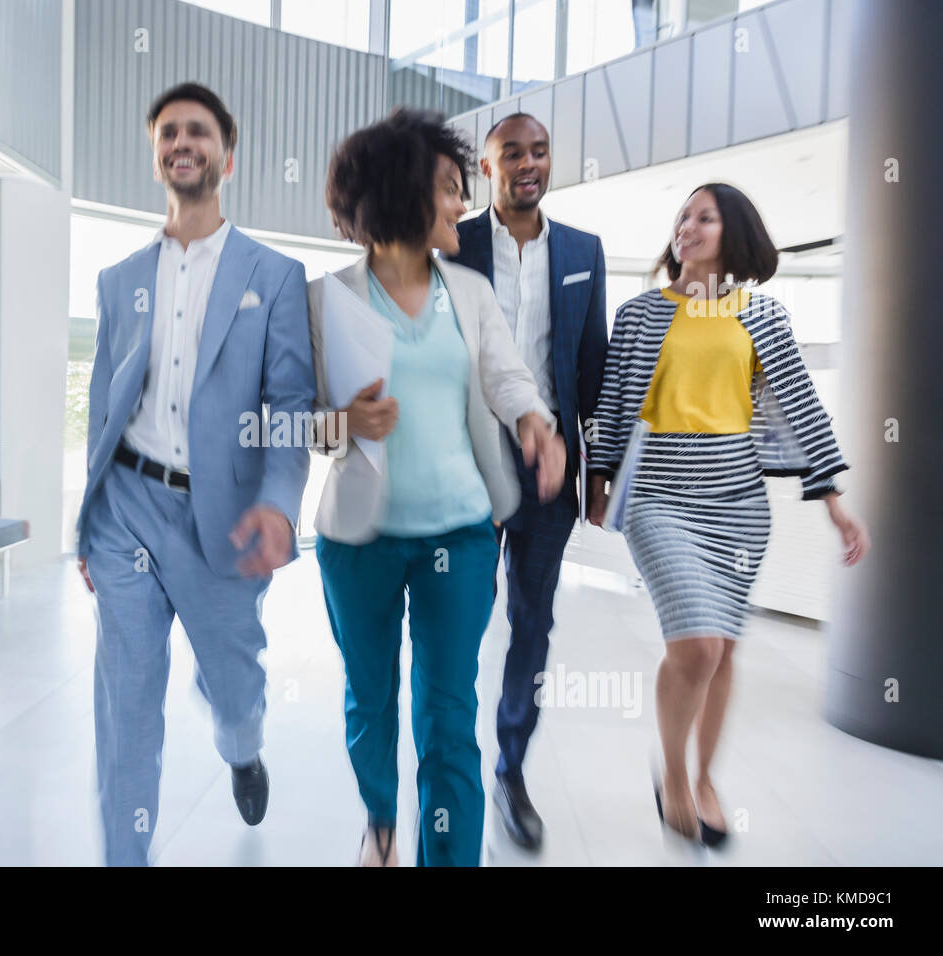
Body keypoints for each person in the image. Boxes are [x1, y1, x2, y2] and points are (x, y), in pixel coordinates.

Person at [308, 109, 567, 867]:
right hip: (360, 540)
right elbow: (286, 422)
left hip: (459, 531)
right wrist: (341, 423)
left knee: (449, 713)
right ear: (401, 195)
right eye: (451, 189)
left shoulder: (471, 292)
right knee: (370, 700)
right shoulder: (327, 300)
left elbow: (508, 374)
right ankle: (382, 820)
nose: (462, 205)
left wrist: (535, 423)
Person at [75, 83, 316, 867]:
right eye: (170, 132)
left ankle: (241, 744)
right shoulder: (119, 281)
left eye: (198, 131)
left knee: (234, 682)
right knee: (128, 703)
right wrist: (88, 519)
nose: (183, 141)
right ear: (157, 157)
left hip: (226, 521)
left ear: (227, 156)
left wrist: (282, 503)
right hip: (126, 511)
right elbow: (104, 401)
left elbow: (289, 404)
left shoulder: (274, 275)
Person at [586, 182, 871, 846]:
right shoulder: (638, 314)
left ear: (732, 232)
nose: (686, 226)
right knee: (698, 646)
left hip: (739, 504)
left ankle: (707, 777)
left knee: (724, 651)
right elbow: (613, 399)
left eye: (703, 217)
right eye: (682, 216)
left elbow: (801, 406)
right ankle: (674, 775)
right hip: (659, 496)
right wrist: (597, 480)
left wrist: (834, 502)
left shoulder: (762, 314)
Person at [445, 112, 609, 851]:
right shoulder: (454, 243)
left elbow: (593, 369)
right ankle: (452, 768)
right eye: (513, 153)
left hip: (551, 471)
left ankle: (511, 768)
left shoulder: (582, 251)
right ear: (487, 168)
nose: (529, 163)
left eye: (540, 150)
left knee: (532, 624)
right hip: (466, 463)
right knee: (458, 621)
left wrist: (594, 471)